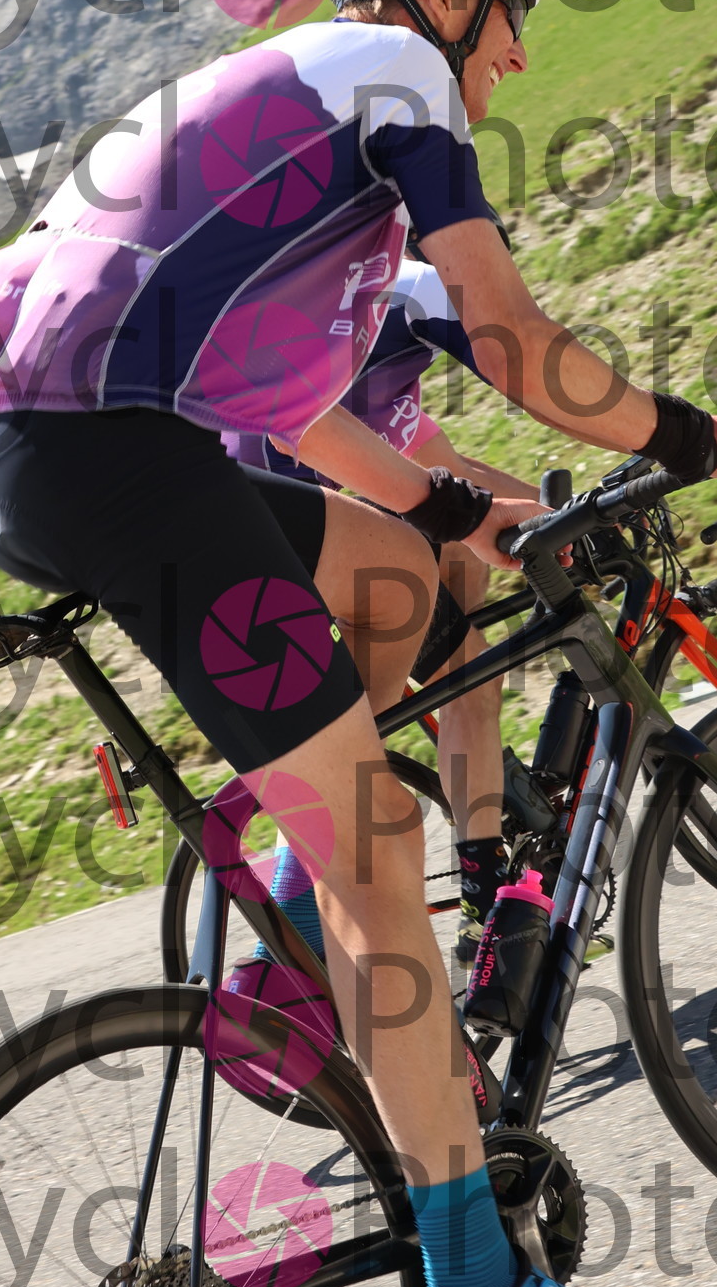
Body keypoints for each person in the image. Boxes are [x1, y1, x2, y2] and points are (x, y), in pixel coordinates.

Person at [0, 0, 717, 1287]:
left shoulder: (295, 101)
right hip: (116, 461)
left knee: (400, 582)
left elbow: (305, 421)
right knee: (380, 851)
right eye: (506, 14)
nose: (514, 53)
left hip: (43, 453)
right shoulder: (398, 77)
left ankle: (300, 911)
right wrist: (698, 439)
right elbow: (510, 337)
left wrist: (461, 516)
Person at [224, 241, 533, 969]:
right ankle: (485, 905)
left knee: (458, 590)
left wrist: (576, 509)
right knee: (470, 685)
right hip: (317, 541)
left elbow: (457, 475)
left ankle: (483, 789)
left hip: (249, 530)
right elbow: (527, 366)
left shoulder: (376, 369)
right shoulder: (417, 288)